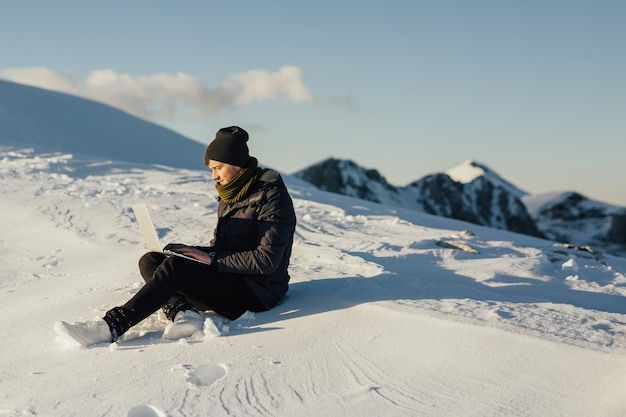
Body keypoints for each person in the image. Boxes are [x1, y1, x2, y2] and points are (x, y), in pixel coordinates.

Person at [54, 126, 297, 346]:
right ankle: (185, 313)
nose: (214, 176)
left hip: (257, 292)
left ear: (235, 163)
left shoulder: (272, 198)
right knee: (151, 260)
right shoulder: (231, 194)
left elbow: (266, 261)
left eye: (217, 168)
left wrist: (210, 259)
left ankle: (112, 326)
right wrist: (193, 252)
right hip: (232, 278)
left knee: (176, 269)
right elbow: (224, 246)